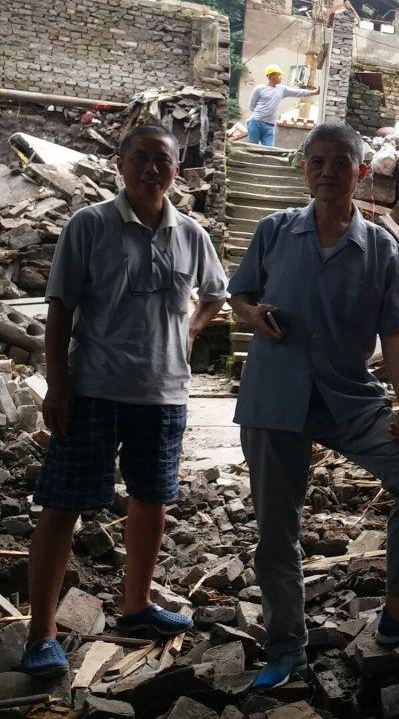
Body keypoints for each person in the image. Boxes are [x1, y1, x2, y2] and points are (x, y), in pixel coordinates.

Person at [230, 122, 399, 691]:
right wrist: (253, 316)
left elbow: (397, 334)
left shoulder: (379, 247)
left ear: (360, 172)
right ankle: (286, 643)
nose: (329, 171)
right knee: (277, 528)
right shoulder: (275, 232)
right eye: (319, 162)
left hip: (347, 397)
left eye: (341, 162)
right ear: (306, 170)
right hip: (274, 396)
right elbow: (239, 297)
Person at [21, 126, 227, 677]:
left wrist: (189, 331)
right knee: (62, 504)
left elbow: (215, 295)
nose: (151, 170)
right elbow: (60, 309)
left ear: (177, 171)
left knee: (151, 498)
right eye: (141, 158)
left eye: (163, 160)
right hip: (92, 388)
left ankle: (136, 605)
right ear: (120, 164)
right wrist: (57, 383)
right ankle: (41, 633)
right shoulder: (88, 225)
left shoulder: (191, 234)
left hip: (163, 393)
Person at [245, 64, 316, 147]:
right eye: (278, 75)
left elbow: (298, 92)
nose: (281, 77)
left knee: (269, 150)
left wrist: (313, 92)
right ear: (271, 76)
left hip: (269, 125)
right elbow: (252, 106)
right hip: (256, 122)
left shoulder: (282, 90)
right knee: (252, 147)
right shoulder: (259, 89)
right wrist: (261, 115)